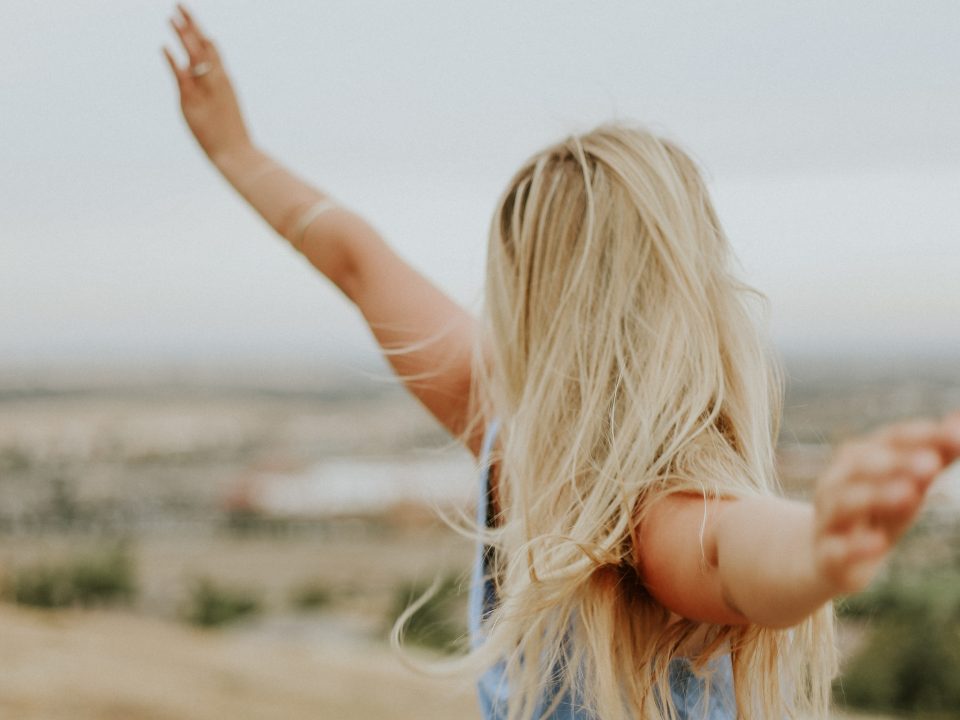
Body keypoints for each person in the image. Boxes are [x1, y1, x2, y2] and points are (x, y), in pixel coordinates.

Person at [162, 6, 960, 718]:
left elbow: (733, 553)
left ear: (530, 297)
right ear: (690, 298)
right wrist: (234, 149)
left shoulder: (587, 476)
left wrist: (816, 547)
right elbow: (354, 260)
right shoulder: (570, 465)